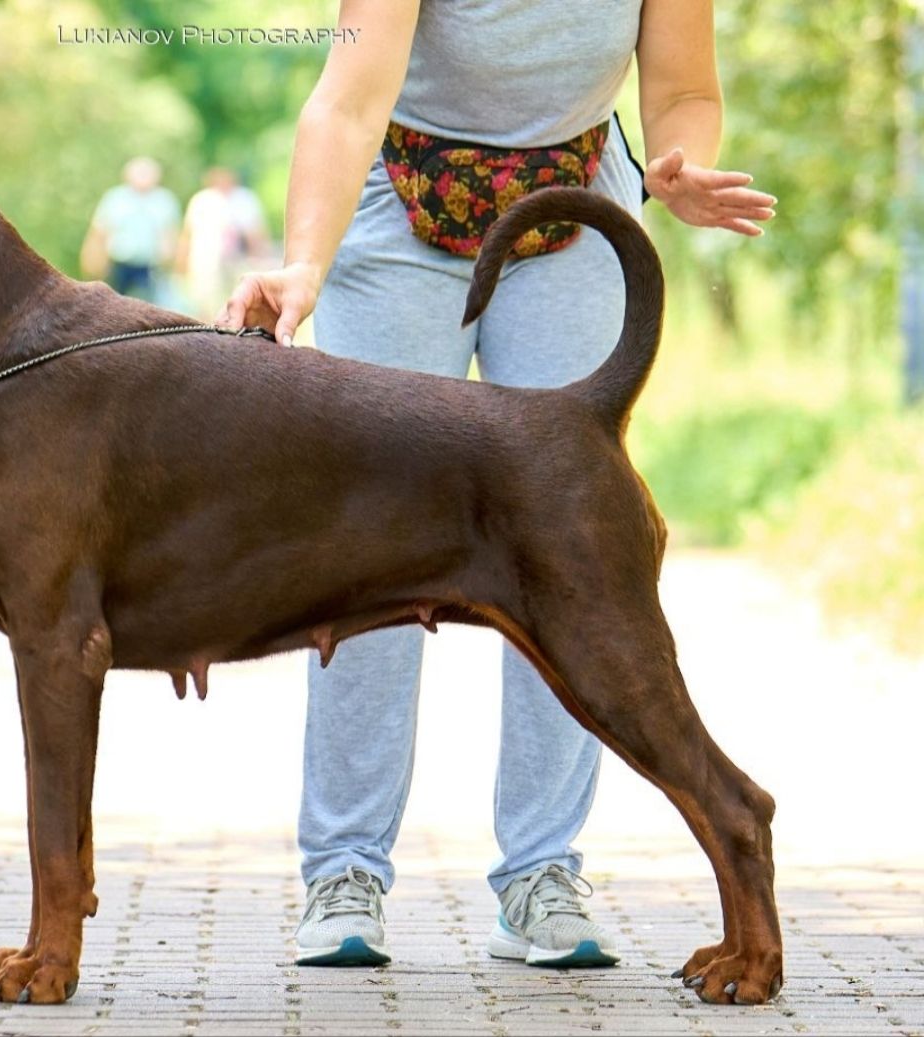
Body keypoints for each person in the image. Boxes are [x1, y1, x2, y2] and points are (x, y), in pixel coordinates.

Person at [218, 0, 775, 969]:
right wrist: (305, 262)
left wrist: (678, 159)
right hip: (400, 196)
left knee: (565, 551)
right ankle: (345, 867)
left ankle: (542, 874)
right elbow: (347, 102)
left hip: (576, 204)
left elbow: (684, 90)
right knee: (368, 543)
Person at [81, 156, 181, 302]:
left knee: (149, 307)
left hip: (151, 266)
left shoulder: (164, 200)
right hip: (119, 264)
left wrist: (171, 262)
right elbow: (99, 232)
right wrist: (95, 261)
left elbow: (171, 234)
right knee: (114, 306)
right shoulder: (115, 198)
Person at [176, 167, 271, 318]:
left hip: (237, 257)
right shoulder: (202, 200)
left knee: (238, 295)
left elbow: (255, 232)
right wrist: (182, 260)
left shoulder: (245, 199)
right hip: (207, 258)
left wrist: (258, 257)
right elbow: (188, 232)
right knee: (206, 298)